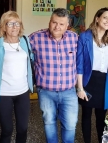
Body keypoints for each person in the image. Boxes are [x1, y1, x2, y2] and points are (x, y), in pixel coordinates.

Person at [29, 8, 78, 143]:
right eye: (54, 22)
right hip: (46, 91)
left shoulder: (74, 38)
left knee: (70, 124)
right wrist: (0, 38)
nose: (57, 27)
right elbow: (16, 43)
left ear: (67, 25)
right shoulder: (35, 38)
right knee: (49, 122)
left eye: (61, 24)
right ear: (49, 21)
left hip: (69, 92)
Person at [0, 11, 33, 143]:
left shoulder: (25, 41)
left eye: (17, 23)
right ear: (3, 26)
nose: (15, 27)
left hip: (23, 92)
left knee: (23, 128)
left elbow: (31, 59)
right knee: (7, 129)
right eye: (10, 24)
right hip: (3, 93)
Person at [76, 7, 108, 143]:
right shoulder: (85, 37)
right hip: (88, 80)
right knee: (86, 115)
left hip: (105, 82)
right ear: (97, 19)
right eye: (105, 17)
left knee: (101, 117)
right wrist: (80, 88)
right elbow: (79, 64)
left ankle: (101, 141)